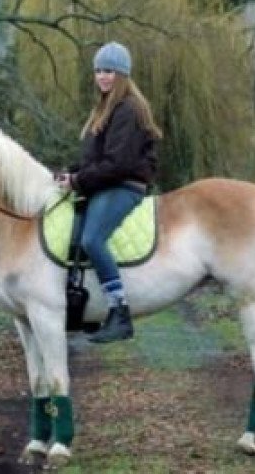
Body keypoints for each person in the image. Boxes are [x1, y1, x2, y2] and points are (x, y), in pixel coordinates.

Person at [56, 41, 163, 343]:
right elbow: (96, 160)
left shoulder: (128, 109)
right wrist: (71, 173)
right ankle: (88, 308)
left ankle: (120, 312)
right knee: (73, 236)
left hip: (124, 185)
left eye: (110, 71)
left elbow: (117, 163)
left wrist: (78, 181)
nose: (103, 76)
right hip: (107, 181)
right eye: (99, 70)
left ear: (123, 74)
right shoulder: (105, 107)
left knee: (92, 238)